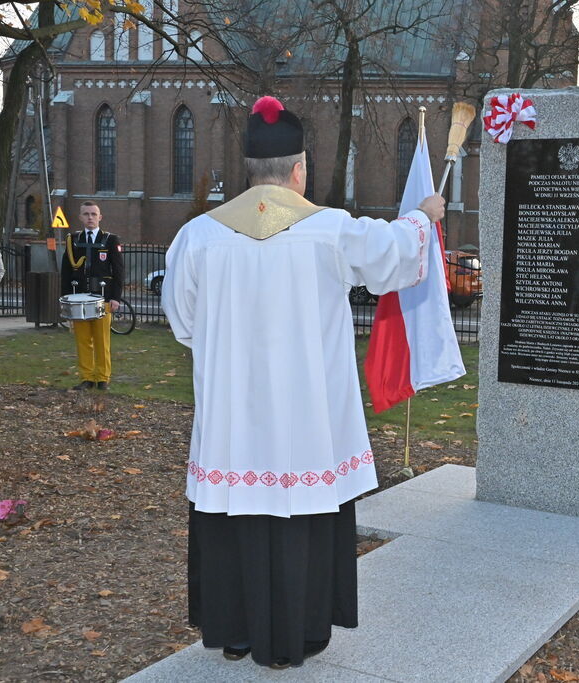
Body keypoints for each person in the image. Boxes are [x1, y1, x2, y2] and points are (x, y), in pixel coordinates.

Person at [162, 95, 445, 670]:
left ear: (250, 170)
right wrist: (425, 214)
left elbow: (184, 324)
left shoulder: (197, 237)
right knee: (303, 515)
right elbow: (395, 253)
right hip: (307, 422)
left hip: (233, 424)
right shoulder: (329, 230)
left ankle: (235, 631)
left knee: (233, 512)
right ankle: (303, 630)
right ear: (298, 170)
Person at [59, 202, 124, 390]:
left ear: (100, 217)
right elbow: (66, 271)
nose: (90, 217)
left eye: (93, 214)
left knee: (102, 340)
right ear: (80, 217)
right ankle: (87, 378)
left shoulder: (110, 240)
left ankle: (102, 378)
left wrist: (115, 298)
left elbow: (118, 270)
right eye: (86, 214)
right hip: (78, 299)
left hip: (103, 298)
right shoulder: (73, 240)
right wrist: (65, 299)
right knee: (83, 340)